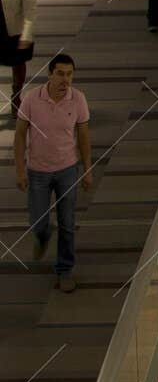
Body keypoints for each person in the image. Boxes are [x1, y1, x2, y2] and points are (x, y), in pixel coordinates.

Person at [16, 53, 92, 295]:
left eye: (69, 74)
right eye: (60, 73)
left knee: (67, 223)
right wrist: (20, 169)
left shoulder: (78, 99)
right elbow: (19, 136)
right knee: (38, 222)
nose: (65, 79)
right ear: (50, 74)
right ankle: (42, 235)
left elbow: (83, 138)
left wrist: (87, 169)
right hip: (37, 171)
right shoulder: (31, 99)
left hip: (68, 170)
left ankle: (64, 270)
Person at [0, 0, 38, 118]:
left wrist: (27, 33)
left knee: (17, 64)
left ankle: (16, 96)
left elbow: (30, 8)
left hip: (14, 30)